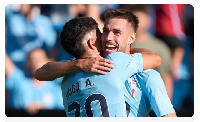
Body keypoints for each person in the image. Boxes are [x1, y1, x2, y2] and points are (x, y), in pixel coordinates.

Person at [35, 9, 175, 117]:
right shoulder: (114, 64)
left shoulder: (66, 79)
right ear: (91, 43)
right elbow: (155, 58)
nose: (107, 38)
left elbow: (40, 72)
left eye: (116, 32)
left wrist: (78, 64)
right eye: (103, 32)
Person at [129, 5, 173, 99]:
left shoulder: (159, 47)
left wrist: (165, 107)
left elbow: (166, 78)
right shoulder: (122, 45)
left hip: (151, 103)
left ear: (149, 21)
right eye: (132, 20)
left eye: (139, 20)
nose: (135, 24)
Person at [5, 49, 64, 115]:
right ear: (27, 63)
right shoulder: (18, 81)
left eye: (40, 59)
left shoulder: (56, 89)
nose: (35, 62)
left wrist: (43, 110)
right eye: (32, 59)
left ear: (48, 62)